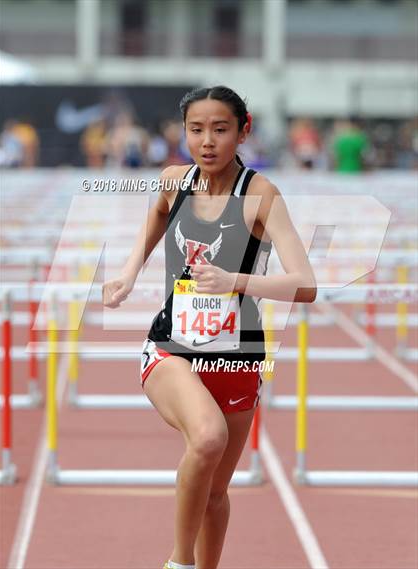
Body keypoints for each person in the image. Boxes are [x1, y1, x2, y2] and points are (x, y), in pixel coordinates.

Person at [102, 85, 317, 569]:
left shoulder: (260, 196)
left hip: (238, 355)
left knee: (216, 490)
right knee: (207, 438)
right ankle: (179, 562)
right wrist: (130, 271)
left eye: (220, 129)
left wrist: (235, 280)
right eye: (196, 130)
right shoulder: (173, 180)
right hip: (171, 348)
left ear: (244, 130)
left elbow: (306, 285)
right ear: (184, 133)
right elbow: (156, 218)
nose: (207, 141)